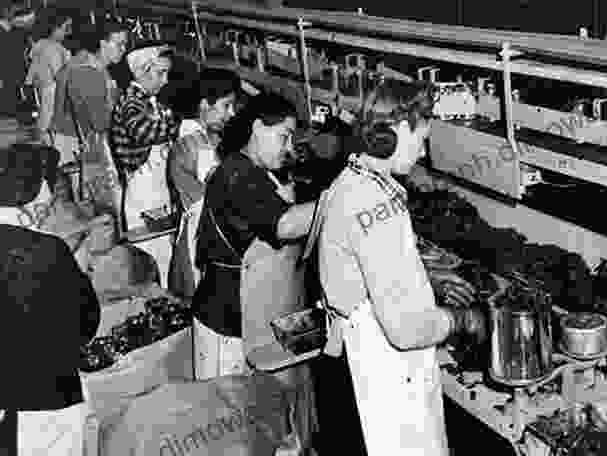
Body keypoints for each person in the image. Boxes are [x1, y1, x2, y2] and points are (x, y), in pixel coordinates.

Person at [311, 79, 487, 456]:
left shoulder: (353, 180)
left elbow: (372, 269)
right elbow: (407, 329)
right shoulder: (372, 200)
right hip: (384, 372)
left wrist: (427, 284)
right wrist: (463, 321)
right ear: (395, 130)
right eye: (421, 137)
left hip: (361, 359)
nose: (423, 151)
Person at [192, 91, 317, 448]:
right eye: (284, 136)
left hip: (277, 311)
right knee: (232, 431)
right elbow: (282, 226)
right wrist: (339, 200)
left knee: (284, 419)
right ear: (257, 128)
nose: (289, 146)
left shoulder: (263, 173)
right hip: (231, 318)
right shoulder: (236, 173)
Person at [0, 142, 100, 455]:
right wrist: (81, 273)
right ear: (30, 206)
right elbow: (86, 325)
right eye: (45, 208)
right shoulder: (48, 251)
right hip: (48, 400)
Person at [167, 67, 241, 299]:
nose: (231, 114)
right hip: (199, 233)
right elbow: (224, 188)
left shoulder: (204, 136)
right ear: (204, 104)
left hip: (203, 227)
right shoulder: (195, 143)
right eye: (225, 106)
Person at [110, 43, 179, 286]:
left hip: (157, 190)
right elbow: (145, 133)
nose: (166, 79)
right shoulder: (132, 102)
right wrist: (176, 120)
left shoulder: (151, 101)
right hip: (143, 191)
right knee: (152, 255)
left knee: (165, 253)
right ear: (141, 71)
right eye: (160, 73)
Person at [50, 20, 128, 219]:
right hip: (81, 146)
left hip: (81, 142)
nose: (124, 49)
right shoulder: (87, 73)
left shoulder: (93, 65)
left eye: (125, 44)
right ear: (102, 44)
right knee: (97, 209)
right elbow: (101, 123)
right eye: (119, 44)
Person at [25, 7, 72, 142]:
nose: (69, 32)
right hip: (53, 101)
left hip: (45, 100)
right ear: (54, 28)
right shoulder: (52, 48)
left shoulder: (40, 47)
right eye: (66, 27)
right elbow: (61, 76)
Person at [0, 0, 32, 118]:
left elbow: (26, 55)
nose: (16, 13)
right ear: (5, 11)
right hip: (5, 82)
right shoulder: (13, 32)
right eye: (13, 10)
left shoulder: (20, 32)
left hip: (18, 81)